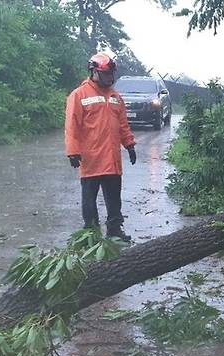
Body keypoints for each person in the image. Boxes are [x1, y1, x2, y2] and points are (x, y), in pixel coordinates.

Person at [64, 52, 136, 241]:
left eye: (111, 75)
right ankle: (91, 234)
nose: (109, 79)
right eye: (106, 75)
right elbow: (72, 125)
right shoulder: (78, 95)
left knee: (114, 199)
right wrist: (73, 151)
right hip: (91, 158)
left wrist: (129, 144)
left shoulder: (115, 97)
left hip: (112, 159)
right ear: (93, 72)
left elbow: (122, 125)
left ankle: (114, 230)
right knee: (89, 200)